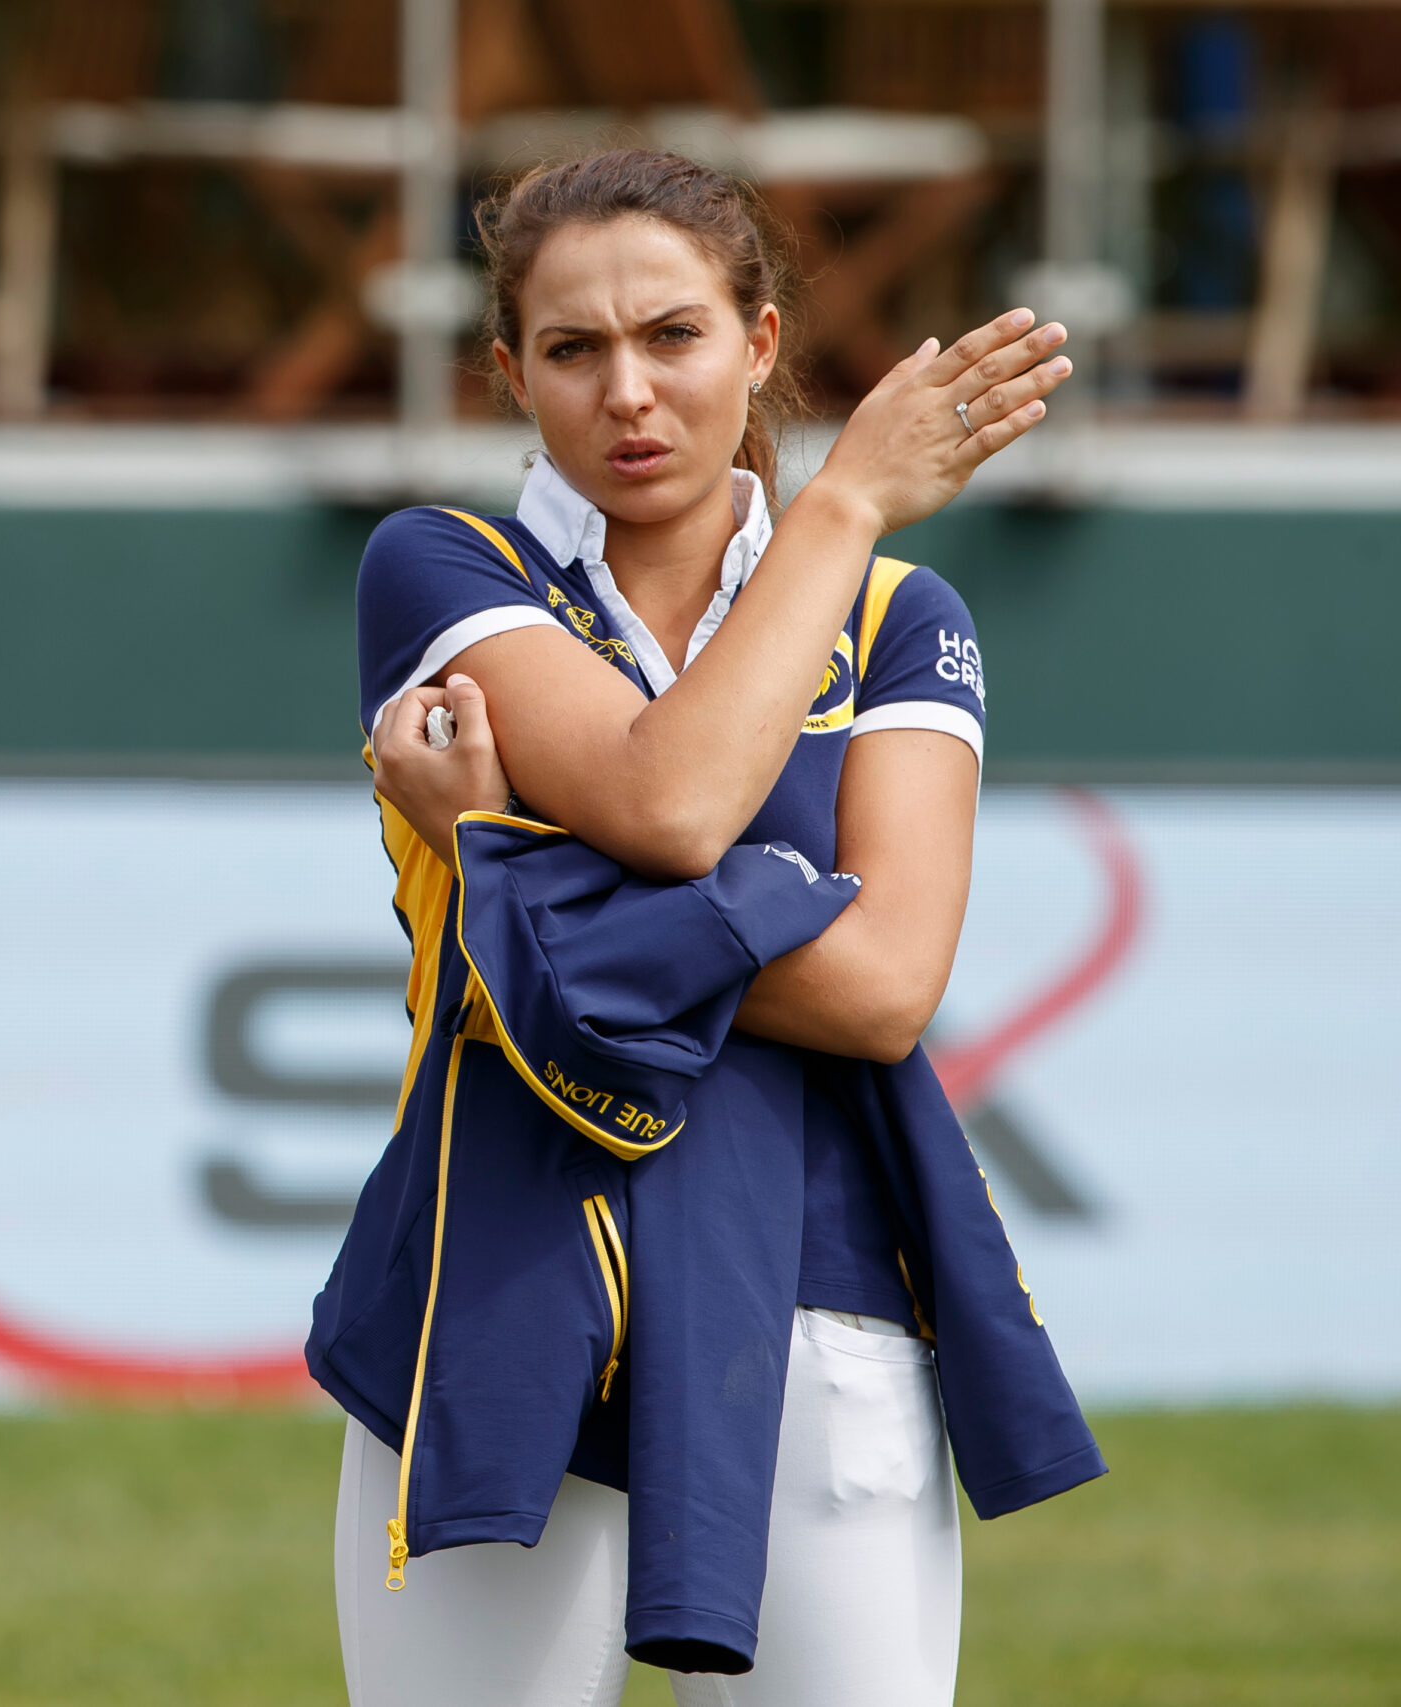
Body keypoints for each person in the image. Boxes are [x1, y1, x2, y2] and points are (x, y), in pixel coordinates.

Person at [325, 150, 1078, 1705]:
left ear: (762, 345)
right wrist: (850, 497)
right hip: (501, 1273)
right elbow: (674, 811)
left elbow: (881, 992)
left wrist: (513, 870)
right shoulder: (443, 564)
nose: (629, 393)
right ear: (508, 372)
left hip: (823, 1292)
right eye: (573, 349)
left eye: (674, 336)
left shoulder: (901, 618)